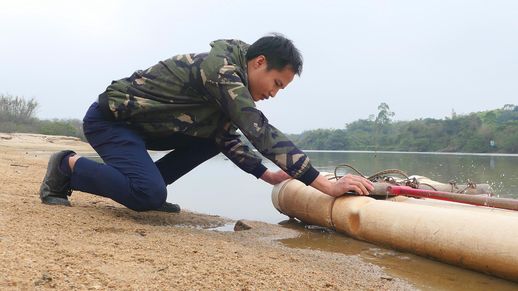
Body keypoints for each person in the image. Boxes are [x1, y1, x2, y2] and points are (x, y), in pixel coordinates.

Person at [39, 33, 374, 213]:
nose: (273, 93)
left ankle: (148, 189)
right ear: (259, 63)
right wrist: (326, 186)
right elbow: (259, 130)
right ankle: (66, 166)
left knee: (211, 139)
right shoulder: (223, 73)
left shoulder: (232, 82)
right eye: (276, 84)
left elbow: (226, 137)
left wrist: (266, 174)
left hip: (145, 131)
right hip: (112, 121)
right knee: (146, 195)